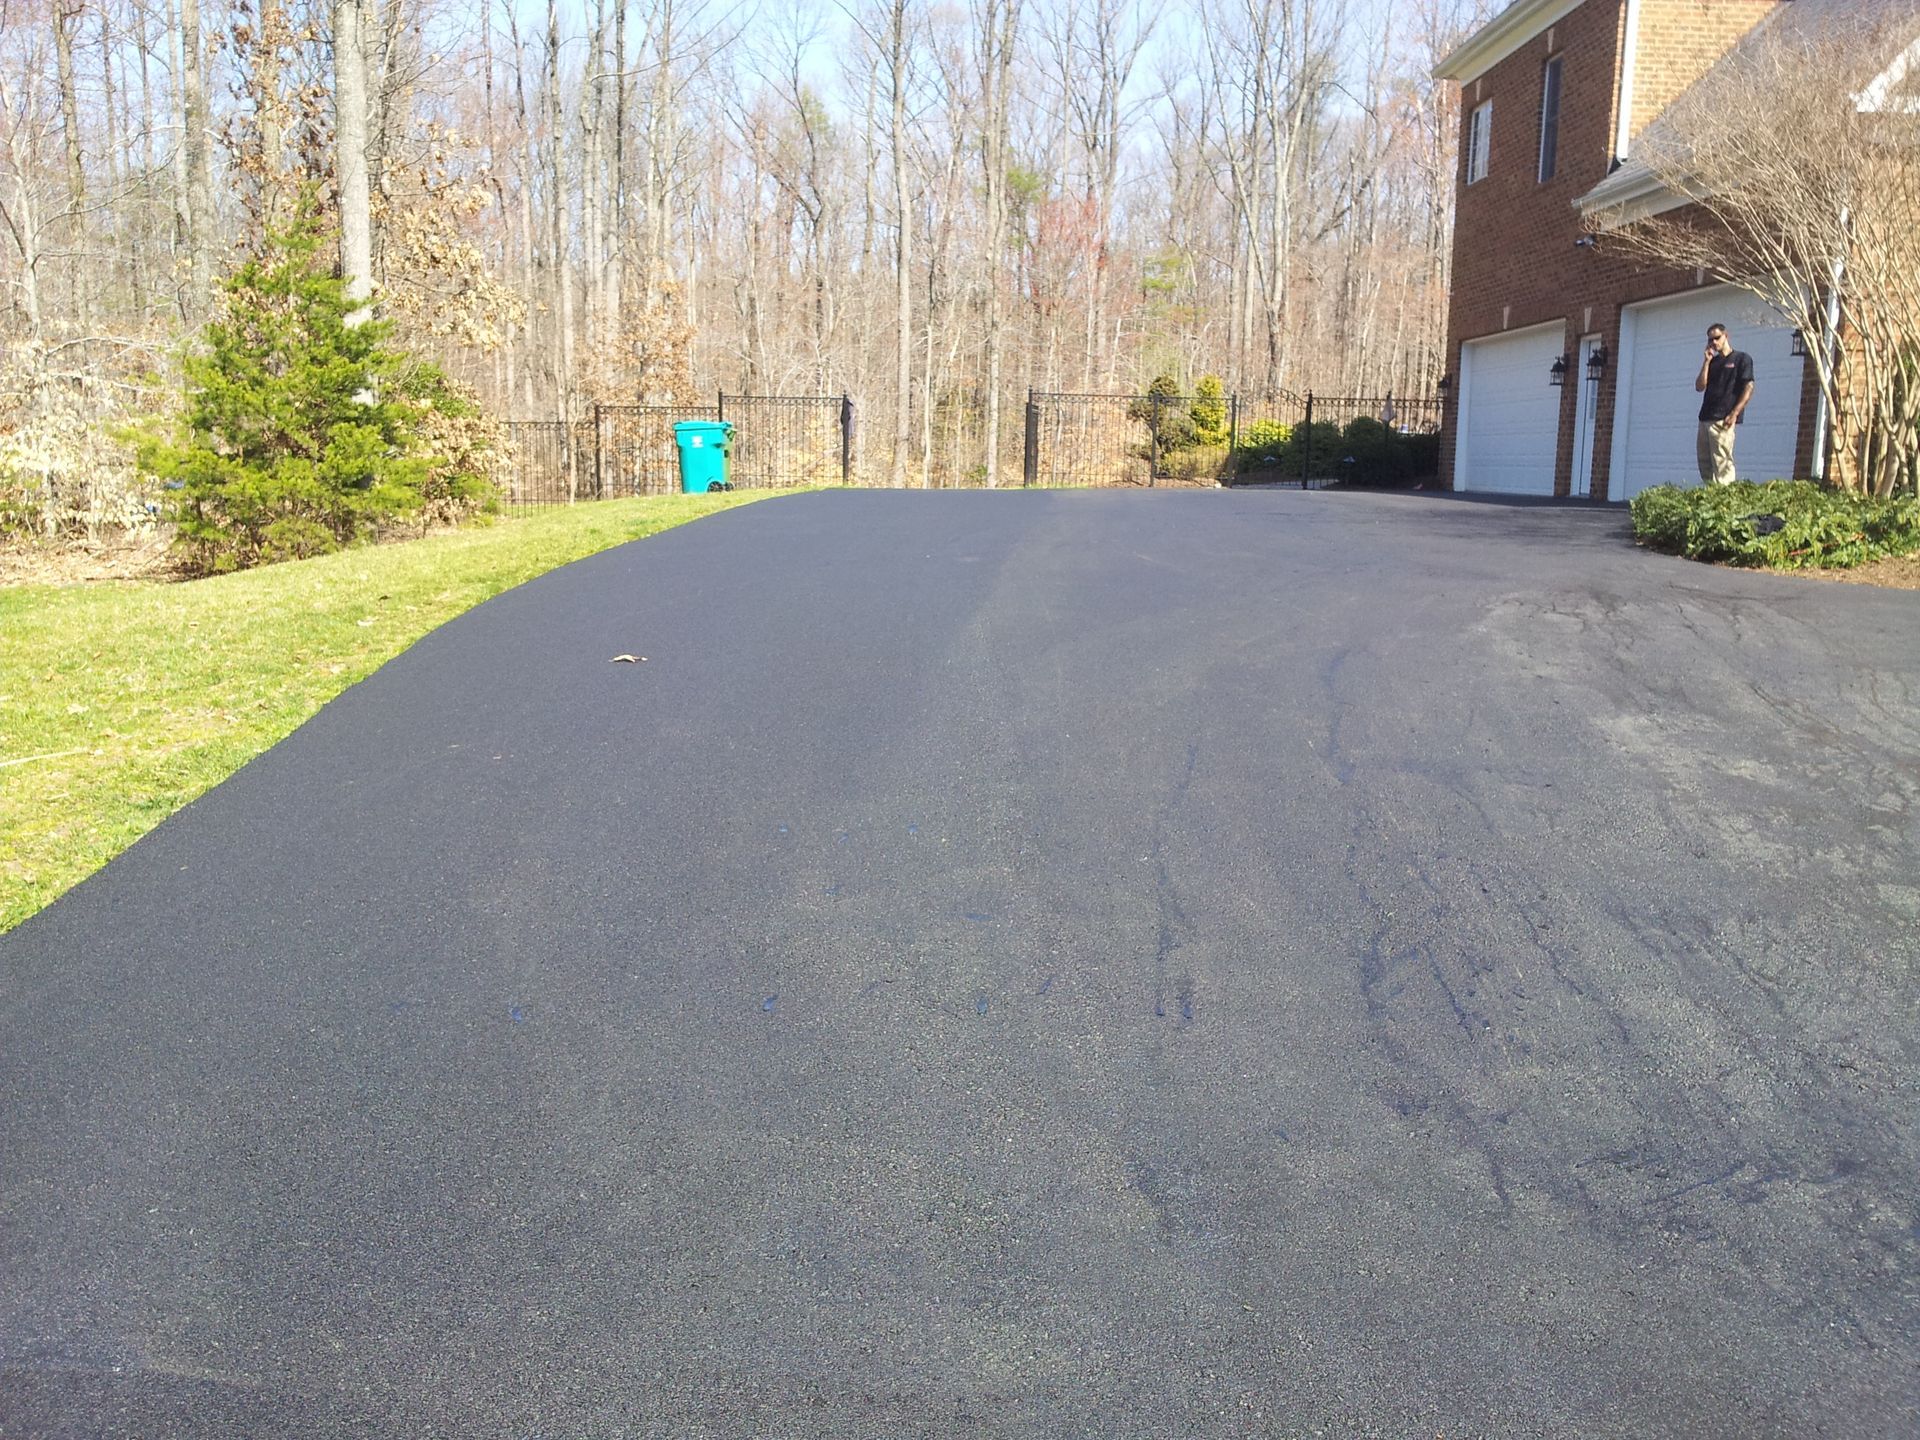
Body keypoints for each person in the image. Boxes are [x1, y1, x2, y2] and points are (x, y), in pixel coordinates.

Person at [1694, 323, 1755, 485]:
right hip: (1705, 418)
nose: (1714, 342)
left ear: (1726, 336)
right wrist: (1706, 362)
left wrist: (1735, 413)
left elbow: (1749, 387)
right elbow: (1699, 386)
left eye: (1717, 338)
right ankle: (1710, 495)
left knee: (1722, 464)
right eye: (1710, 340)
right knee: (1705, 463)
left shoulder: (1741, 359)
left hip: (1723, 419)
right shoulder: (1712, 362)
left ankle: (1725, 497)